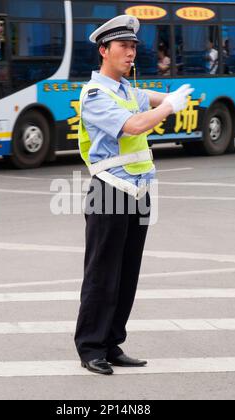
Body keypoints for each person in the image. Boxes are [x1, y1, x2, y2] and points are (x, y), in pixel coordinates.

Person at [74, 14, 194, 375]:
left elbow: (148, 98)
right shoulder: (96, 93)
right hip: (110, 189)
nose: (131, 53)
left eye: (134, 47)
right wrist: (169, 107)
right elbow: (133, 125)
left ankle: (112, 344)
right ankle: (91, 347)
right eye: (124, 47)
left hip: (138, 190)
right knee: (102, 272)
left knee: (127, 272)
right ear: (104, 50)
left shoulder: (127, 90)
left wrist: (170, 95)